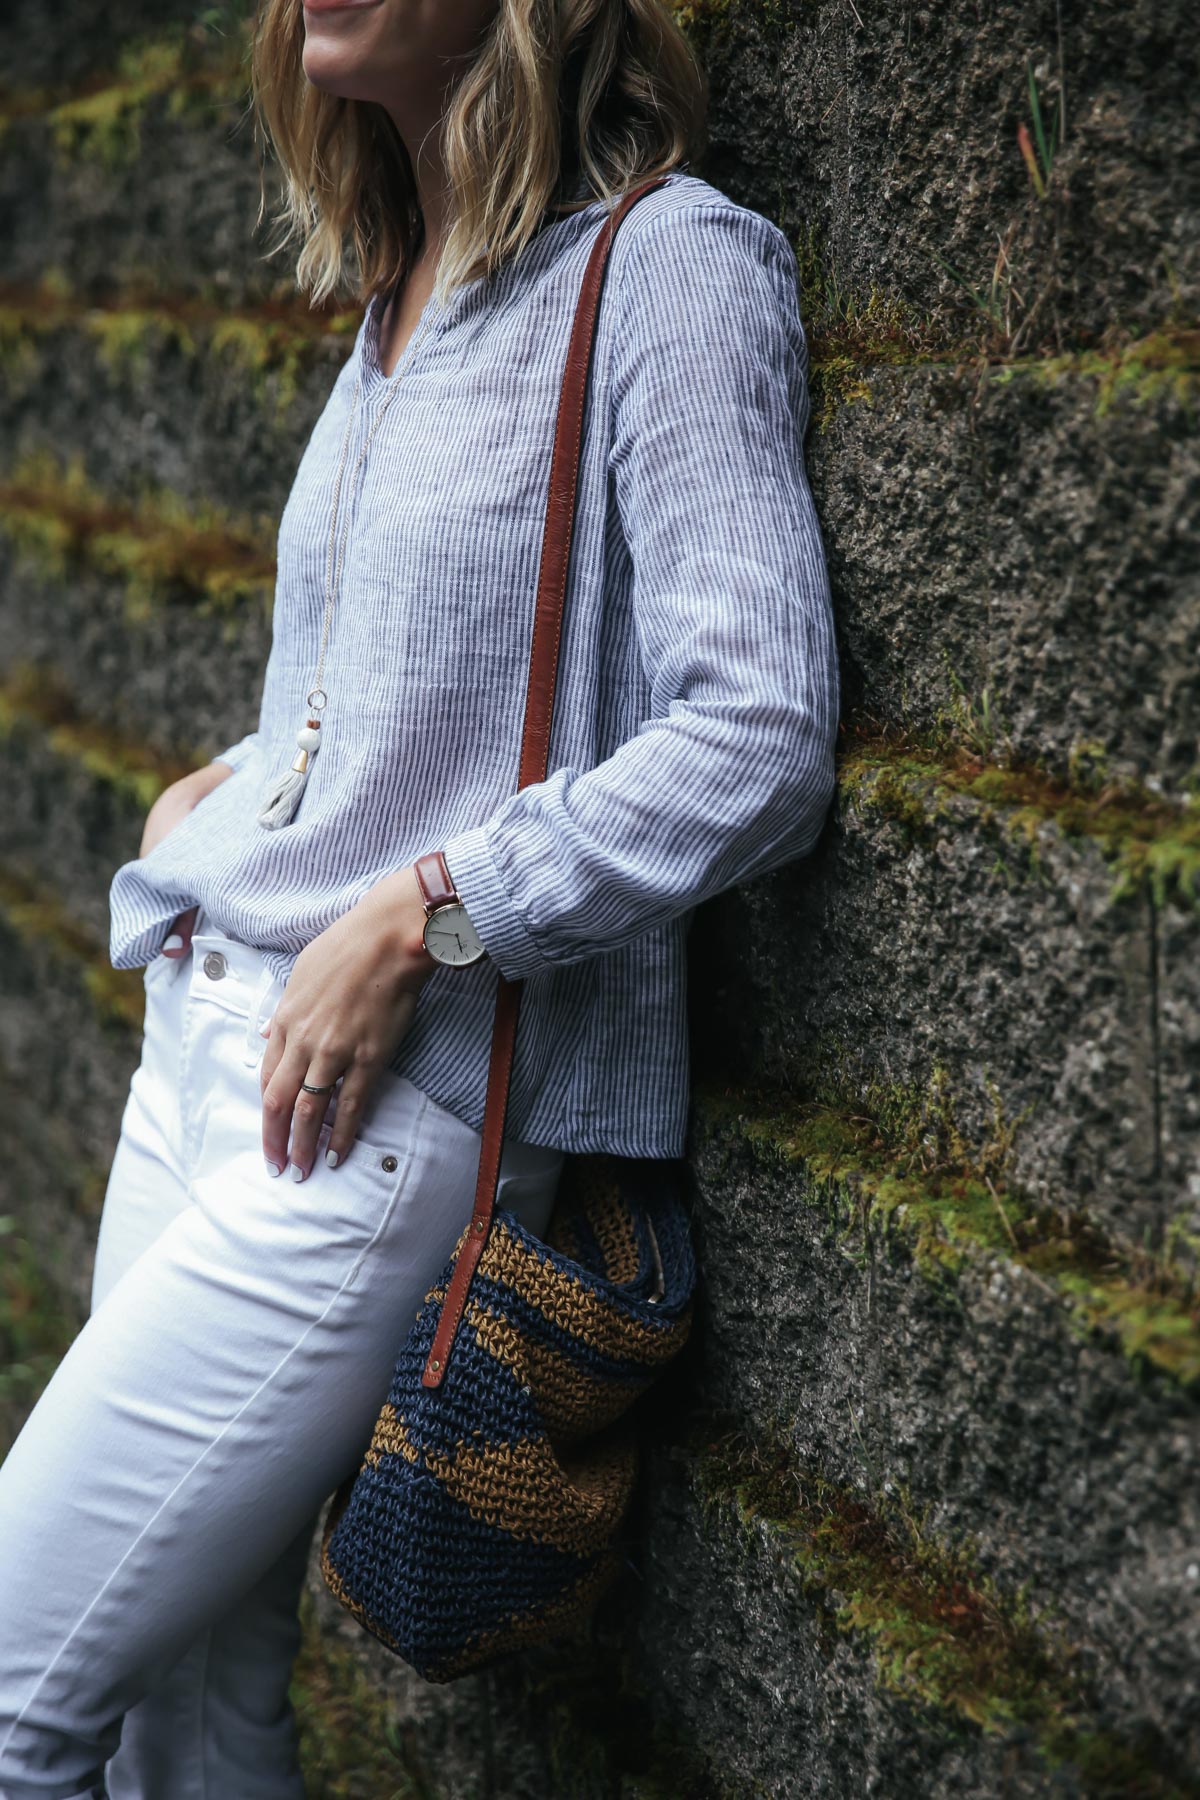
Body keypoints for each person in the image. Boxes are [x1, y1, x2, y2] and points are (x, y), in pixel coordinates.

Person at [0, 0, 840, 1792]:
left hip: (381, 1116)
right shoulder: (398, 290)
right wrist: (226, 787)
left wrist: (427, 907)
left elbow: (763, 727)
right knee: (176, 1709)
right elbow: (384, 684)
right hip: (201, 1050)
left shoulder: (666, 268)